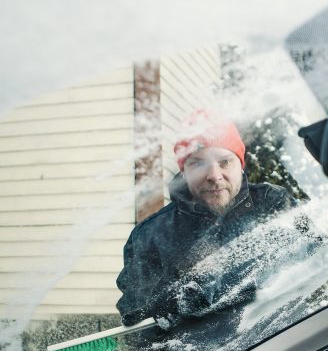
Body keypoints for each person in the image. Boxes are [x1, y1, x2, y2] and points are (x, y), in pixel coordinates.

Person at [116, 110, 296, 334]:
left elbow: (313, 260)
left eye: (225, 162)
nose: (214, 175)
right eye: (198, 164)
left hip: (284, 348)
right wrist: (163, 300)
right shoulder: (149, 235)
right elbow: (137, 320)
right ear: (184, 171)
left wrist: (216, 283)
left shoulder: (271, 204)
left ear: (240, 164)